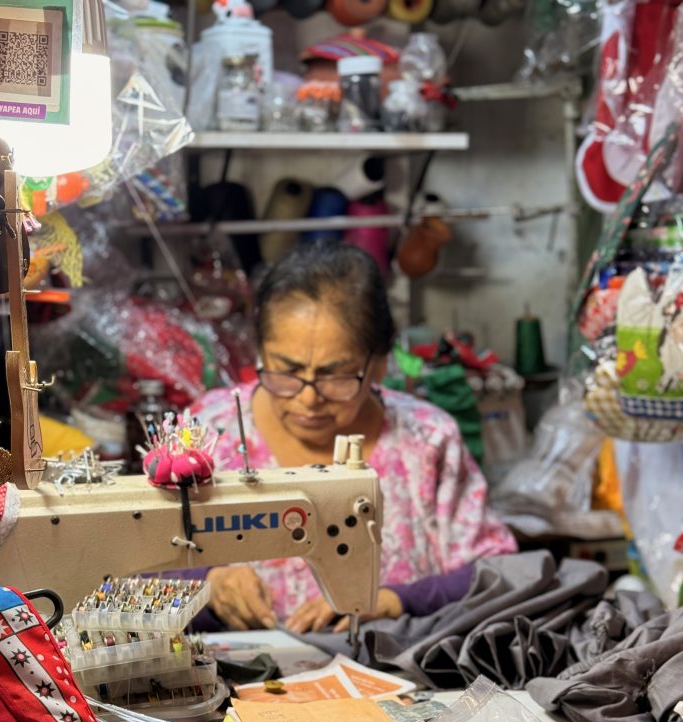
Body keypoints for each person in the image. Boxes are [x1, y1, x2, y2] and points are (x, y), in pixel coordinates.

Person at [189, 240, 516, 632]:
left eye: (336, 375)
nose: (309, 398)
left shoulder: (427, 440)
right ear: (260, 353)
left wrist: (397, 601)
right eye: (285, 370)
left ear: (377, 366)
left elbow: (498, 572)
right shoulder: (208, 434)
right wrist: (209, 582)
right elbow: (131, 571)